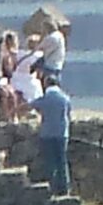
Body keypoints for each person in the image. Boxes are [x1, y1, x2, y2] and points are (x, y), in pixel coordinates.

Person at [30, 68, 73, 197]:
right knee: (62, 161)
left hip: (47, 134)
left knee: (51, 162)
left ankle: (52, 187)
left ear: (46, 84)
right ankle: (64, 188)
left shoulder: (45, 98)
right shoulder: (65, 98)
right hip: (62, 134)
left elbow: (31, 105)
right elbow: (68, 114)